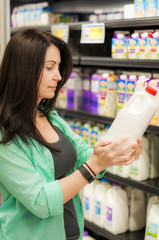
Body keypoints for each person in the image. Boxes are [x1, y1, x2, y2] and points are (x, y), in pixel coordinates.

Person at [0, 29, 142, 240]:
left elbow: (85, 154)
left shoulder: (50, 117)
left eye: (58, 67)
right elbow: (41, 201)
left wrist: (118, 150)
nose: (58, 76)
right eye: (49, 67)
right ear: (24, 70)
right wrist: (95, 164)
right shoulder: (5, 134)